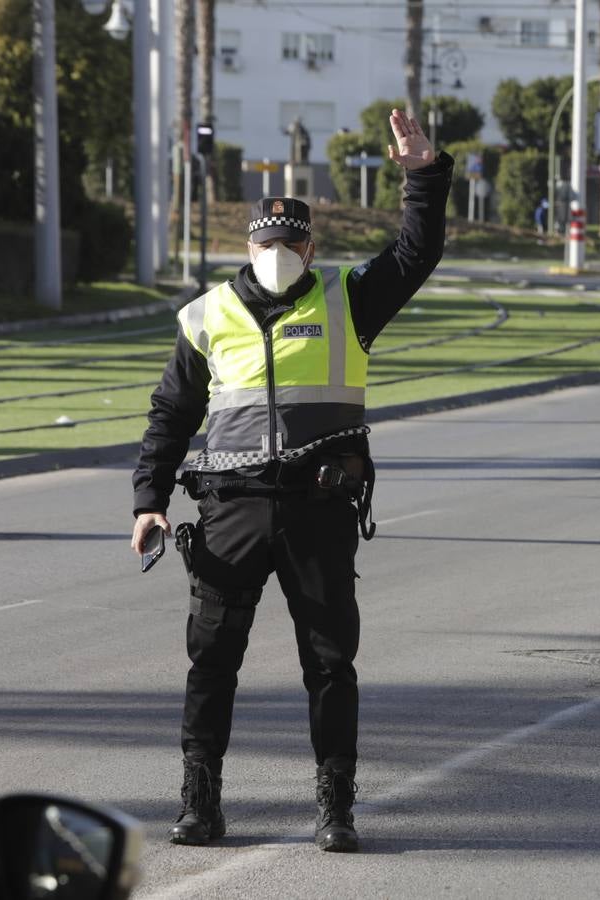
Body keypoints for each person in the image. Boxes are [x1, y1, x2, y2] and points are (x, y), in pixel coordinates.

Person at [130, 109, 452, 853]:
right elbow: (170, 413)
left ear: (312, 245)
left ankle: (336, 810)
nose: (280, 251)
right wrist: (148, 500)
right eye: (269, 240)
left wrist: (423, 175)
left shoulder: (349, 299)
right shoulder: (207, 316)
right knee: (212, 660)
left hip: (319, 506)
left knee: (331, 664)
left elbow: (416, 250)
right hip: (230, 509)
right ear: (249, 244)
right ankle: (200, 804)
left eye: (293, 241)